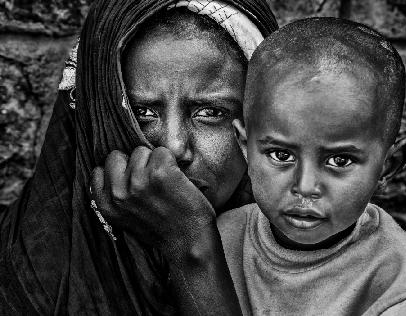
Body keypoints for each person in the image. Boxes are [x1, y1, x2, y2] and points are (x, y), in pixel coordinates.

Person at [0, 0, 277, 314]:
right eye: (141, 113)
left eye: (211, 113)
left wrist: (191, 243)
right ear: (97, 121)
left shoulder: (326, 272)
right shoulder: (24, 280)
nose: (173, 148)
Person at [218, 18, 406, 315]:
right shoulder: (220, 240)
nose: (305, 186)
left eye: (340, 160)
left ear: (388, 167)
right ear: (245, 147)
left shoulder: (397, 282)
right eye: (281, 155)